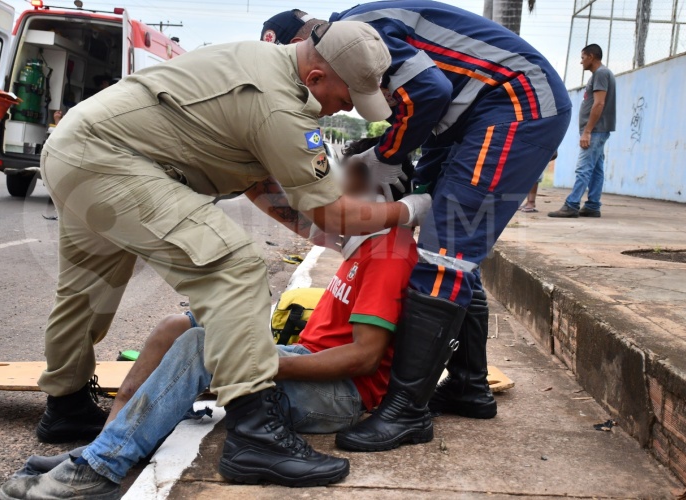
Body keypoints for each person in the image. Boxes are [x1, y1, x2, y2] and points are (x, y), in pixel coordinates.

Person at [33, 20, 433, 487]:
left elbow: (261, 186)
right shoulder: (281, 105)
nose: (339, 111)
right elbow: (333, 211)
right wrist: (405, 211)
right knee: (234, 266)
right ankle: (256, 436)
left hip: (75, 153)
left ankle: (65, 405)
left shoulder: (259, 65)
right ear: (317, 78)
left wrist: (329, 238)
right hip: (116, 163)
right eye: (344, 101)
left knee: (86, 294)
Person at [0, 139, 419, 499]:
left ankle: (99, 469)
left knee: (202, 348)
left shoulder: (390, 253)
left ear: (377, 188)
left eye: (349, 174)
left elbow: (365, 358)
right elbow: (287, 210)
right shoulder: (363, 240)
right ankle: (107, 441)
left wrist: (264, 364)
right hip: (306, 361)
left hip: (340, 395)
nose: (336, 182)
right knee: (178, 327)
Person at [261, 1, 572, 452]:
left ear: (304, 43)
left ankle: (407, 410)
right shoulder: (357, 33)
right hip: (471, 115)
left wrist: (386, 157)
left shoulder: (353, 35)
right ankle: (468, 384)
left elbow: (427, 91)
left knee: (444, 253)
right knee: (450, 252)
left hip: (516, 101)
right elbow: (425, 95)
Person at [548, 44, 616, 218]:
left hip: (595, 131)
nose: (581, 62)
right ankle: (593, 205)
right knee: (596, 169)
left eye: (583, 57)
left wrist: (587, 131)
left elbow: (599, 103)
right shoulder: (601, 74)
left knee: (584, 168)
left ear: (591, 56)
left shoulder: (601, 73)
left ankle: (572, 204)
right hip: (598, 130)